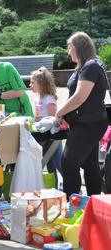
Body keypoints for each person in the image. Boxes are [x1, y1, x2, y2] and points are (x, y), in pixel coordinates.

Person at [56, 31, 109, 200]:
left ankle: (73, 206)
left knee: (68, 164)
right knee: (90, 165)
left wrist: (60, 112)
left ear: (78, 47)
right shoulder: (89, 65)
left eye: (69, 47)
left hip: (88, 125)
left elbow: (79, 97)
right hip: (89, 123)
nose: (68, 51)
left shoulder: (90, 66)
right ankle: (94, 204)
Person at [30, 66, 63, 187]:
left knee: (60, 164)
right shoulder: (37, 98)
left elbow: (51, 118)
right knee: (50, 165)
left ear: (42, 84)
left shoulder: (49, 99)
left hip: (52, 136)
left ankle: (73, 187)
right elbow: (38, 117)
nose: (30, 85)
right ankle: (52, 188)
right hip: (42, 136)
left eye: (33, 82)